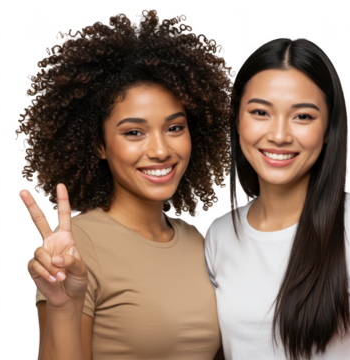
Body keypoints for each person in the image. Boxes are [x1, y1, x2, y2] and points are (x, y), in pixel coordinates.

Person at [204, 37, 350, 360]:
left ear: (329, 129)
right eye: (260, 112)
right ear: (236, 120)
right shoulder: (219, 234)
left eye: (302, 116)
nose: (279, 135)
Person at [18, 9, 232, 360]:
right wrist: (64, 308)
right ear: (99, 145)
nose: (161, 150)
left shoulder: (199, 242)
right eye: (134, 132)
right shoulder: (78, 247)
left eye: (175, 127)